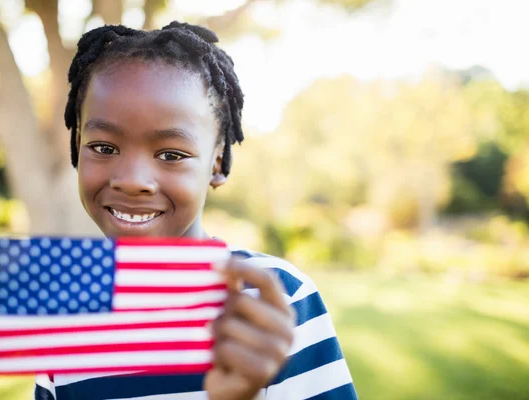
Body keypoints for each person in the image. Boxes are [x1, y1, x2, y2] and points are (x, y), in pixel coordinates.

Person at [35, 21, 357, 400]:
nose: (132, 180)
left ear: (217, 164)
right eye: (104, 148)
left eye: (171, 155)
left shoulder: (274, 302)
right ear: (77, 146)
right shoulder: (61, 313)